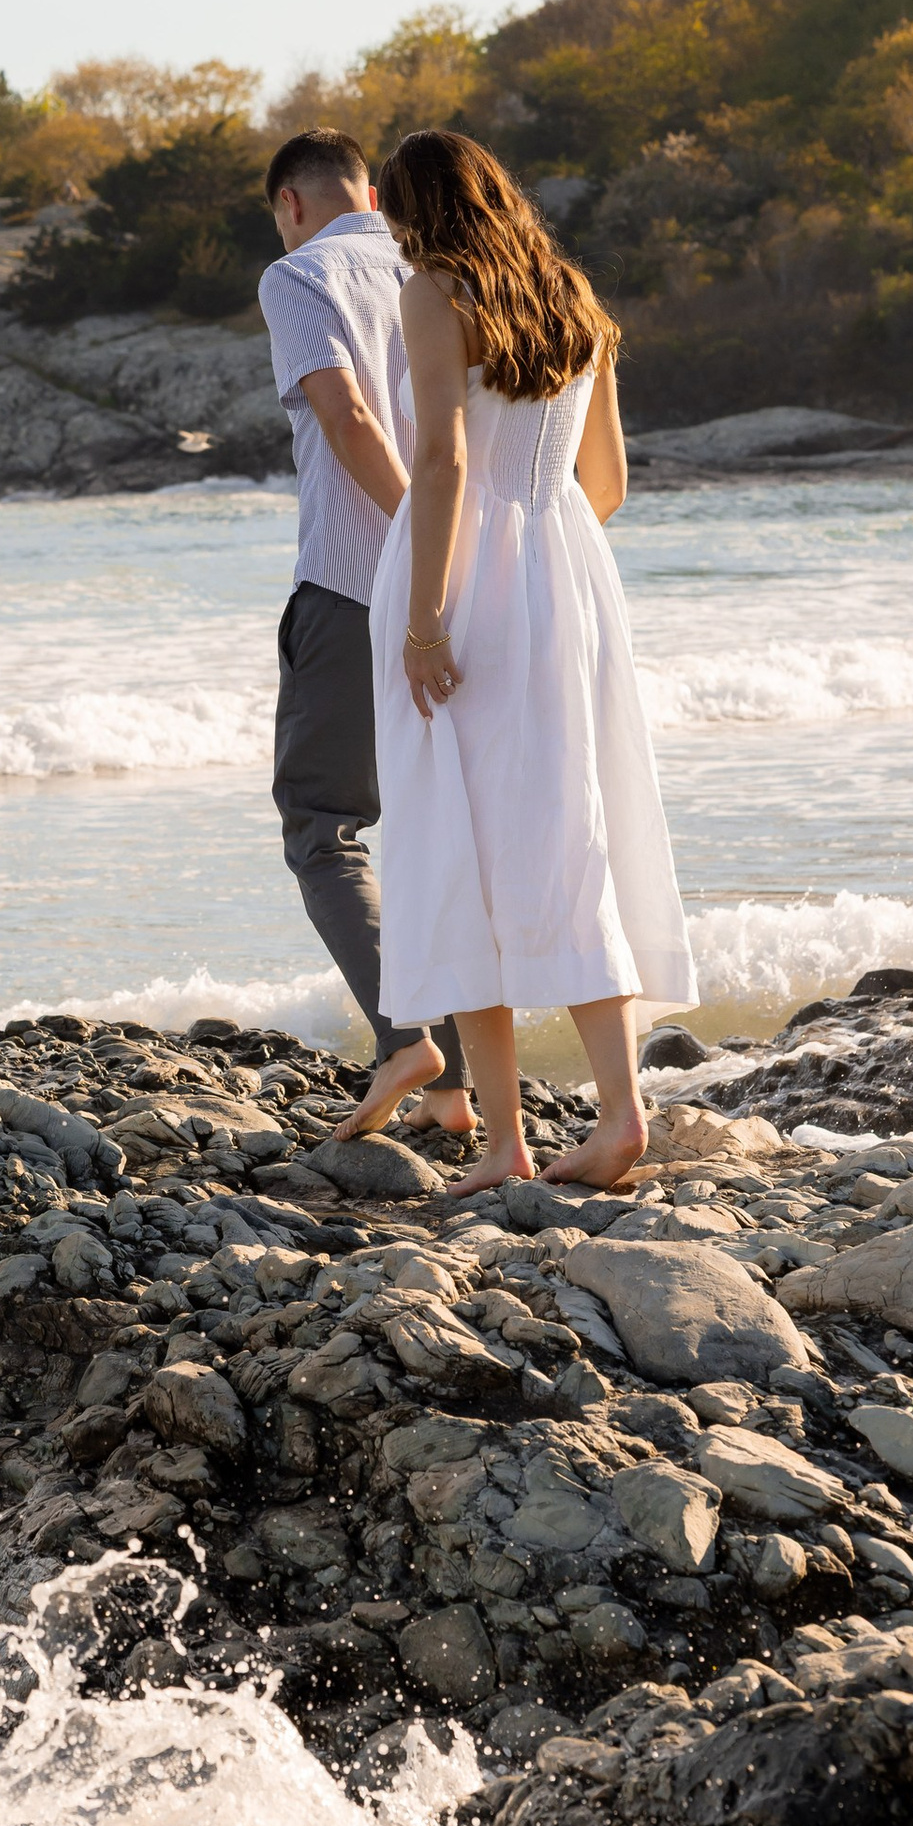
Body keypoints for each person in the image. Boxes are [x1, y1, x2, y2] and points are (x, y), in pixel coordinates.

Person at [351, 127, 693, 1197]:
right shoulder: (574, 296)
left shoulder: (432, 291)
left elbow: (443, 458)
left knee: (459, 842)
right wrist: (543, 558)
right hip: (568, 575)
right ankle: (618, 1111)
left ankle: (505, 1142)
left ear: (414, 213)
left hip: (468, 581)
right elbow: (611, 480)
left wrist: (426, 616)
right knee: (566, 833)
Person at [257, 127, 473, 1139]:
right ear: (376, 195)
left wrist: (405, 535)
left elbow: (345, 415)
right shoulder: (437, 269)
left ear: (290, 204)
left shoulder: (295, 274)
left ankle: (405, 1041)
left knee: (321, 824)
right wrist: (444, 553)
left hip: (350, 587)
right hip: (463, 582)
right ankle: (458, 1088)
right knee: (435, 825)